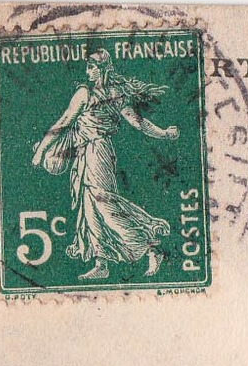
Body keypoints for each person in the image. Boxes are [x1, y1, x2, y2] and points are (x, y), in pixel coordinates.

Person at [30, 49, 179, 280]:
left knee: (105, 206)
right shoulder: (91, 93)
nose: (88, 72)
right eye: (87, 67)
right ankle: (102, 263)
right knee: (90, 209)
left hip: (98, 151)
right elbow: (65, 122)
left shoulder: (107, 94)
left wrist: (165, 134)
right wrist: (43, 150)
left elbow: (138, 123)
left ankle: (149, 248)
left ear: (103, 69)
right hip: (85, 153)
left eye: (92, 67)